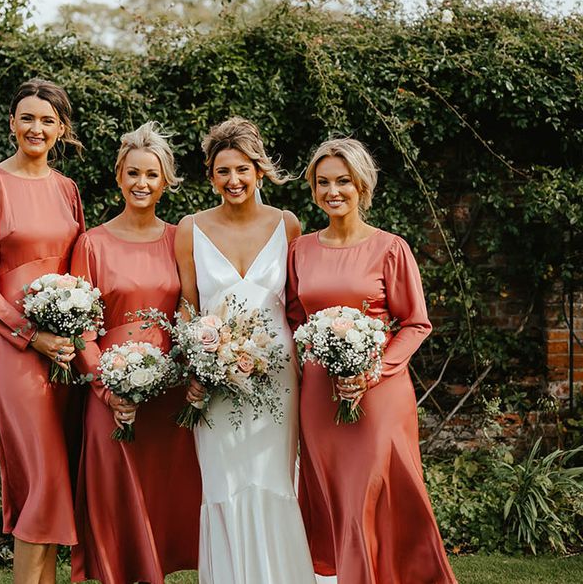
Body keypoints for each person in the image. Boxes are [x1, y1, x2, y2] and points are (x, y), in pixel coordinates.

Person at [286, 137, 457, 584]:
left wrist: (371, 369)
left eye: (343, 181)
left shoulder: (390, 248)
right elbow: (293, 317)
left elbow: (415, 323)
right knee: (337, 493)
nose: (333, 191)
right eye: (323, 182)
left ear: (363, 185)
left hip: (380, 393)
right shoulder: (300, 249)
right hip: (320, 395)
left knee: (372, 489)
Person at [174, 117, 316, 584]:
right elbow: (187, 306)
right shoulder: (189, 228)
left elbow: (297, 303)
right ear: (210, 176)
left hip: (278, 378)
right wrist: (193, 361)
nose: (233, 180)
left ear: (259, 170)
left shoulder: (287, 224)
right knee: (222, 482)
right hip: (214, 377)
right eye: (222, 171)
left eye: (242, 169)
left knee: (274, 479)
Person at [0, 79, 85, 584]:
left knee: (64, 475)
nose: (37, 127)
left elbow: (79, 264)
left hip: (67, 351)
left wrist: (76, 328)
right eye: (27, 117)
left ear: (61, 130)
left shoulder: (66, 189)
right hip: (21, 351)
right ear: (12, 124)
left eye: (47, 120)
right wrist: (31, 336)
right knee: (43, 477)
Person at [69, 122, 202, 584]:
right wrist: (106, 388)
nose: (141, 183)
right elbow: (82, 329)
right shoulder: (92, 243)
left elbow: (188, 307)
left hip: (167, 391)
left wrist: (188, 365)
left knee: (163, 500)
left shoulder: (180, 238)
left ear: (165, 180)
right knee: (115, 500)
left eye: (152, 174)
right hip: (111, 389)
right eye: (133, 174)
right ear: (118, 177)